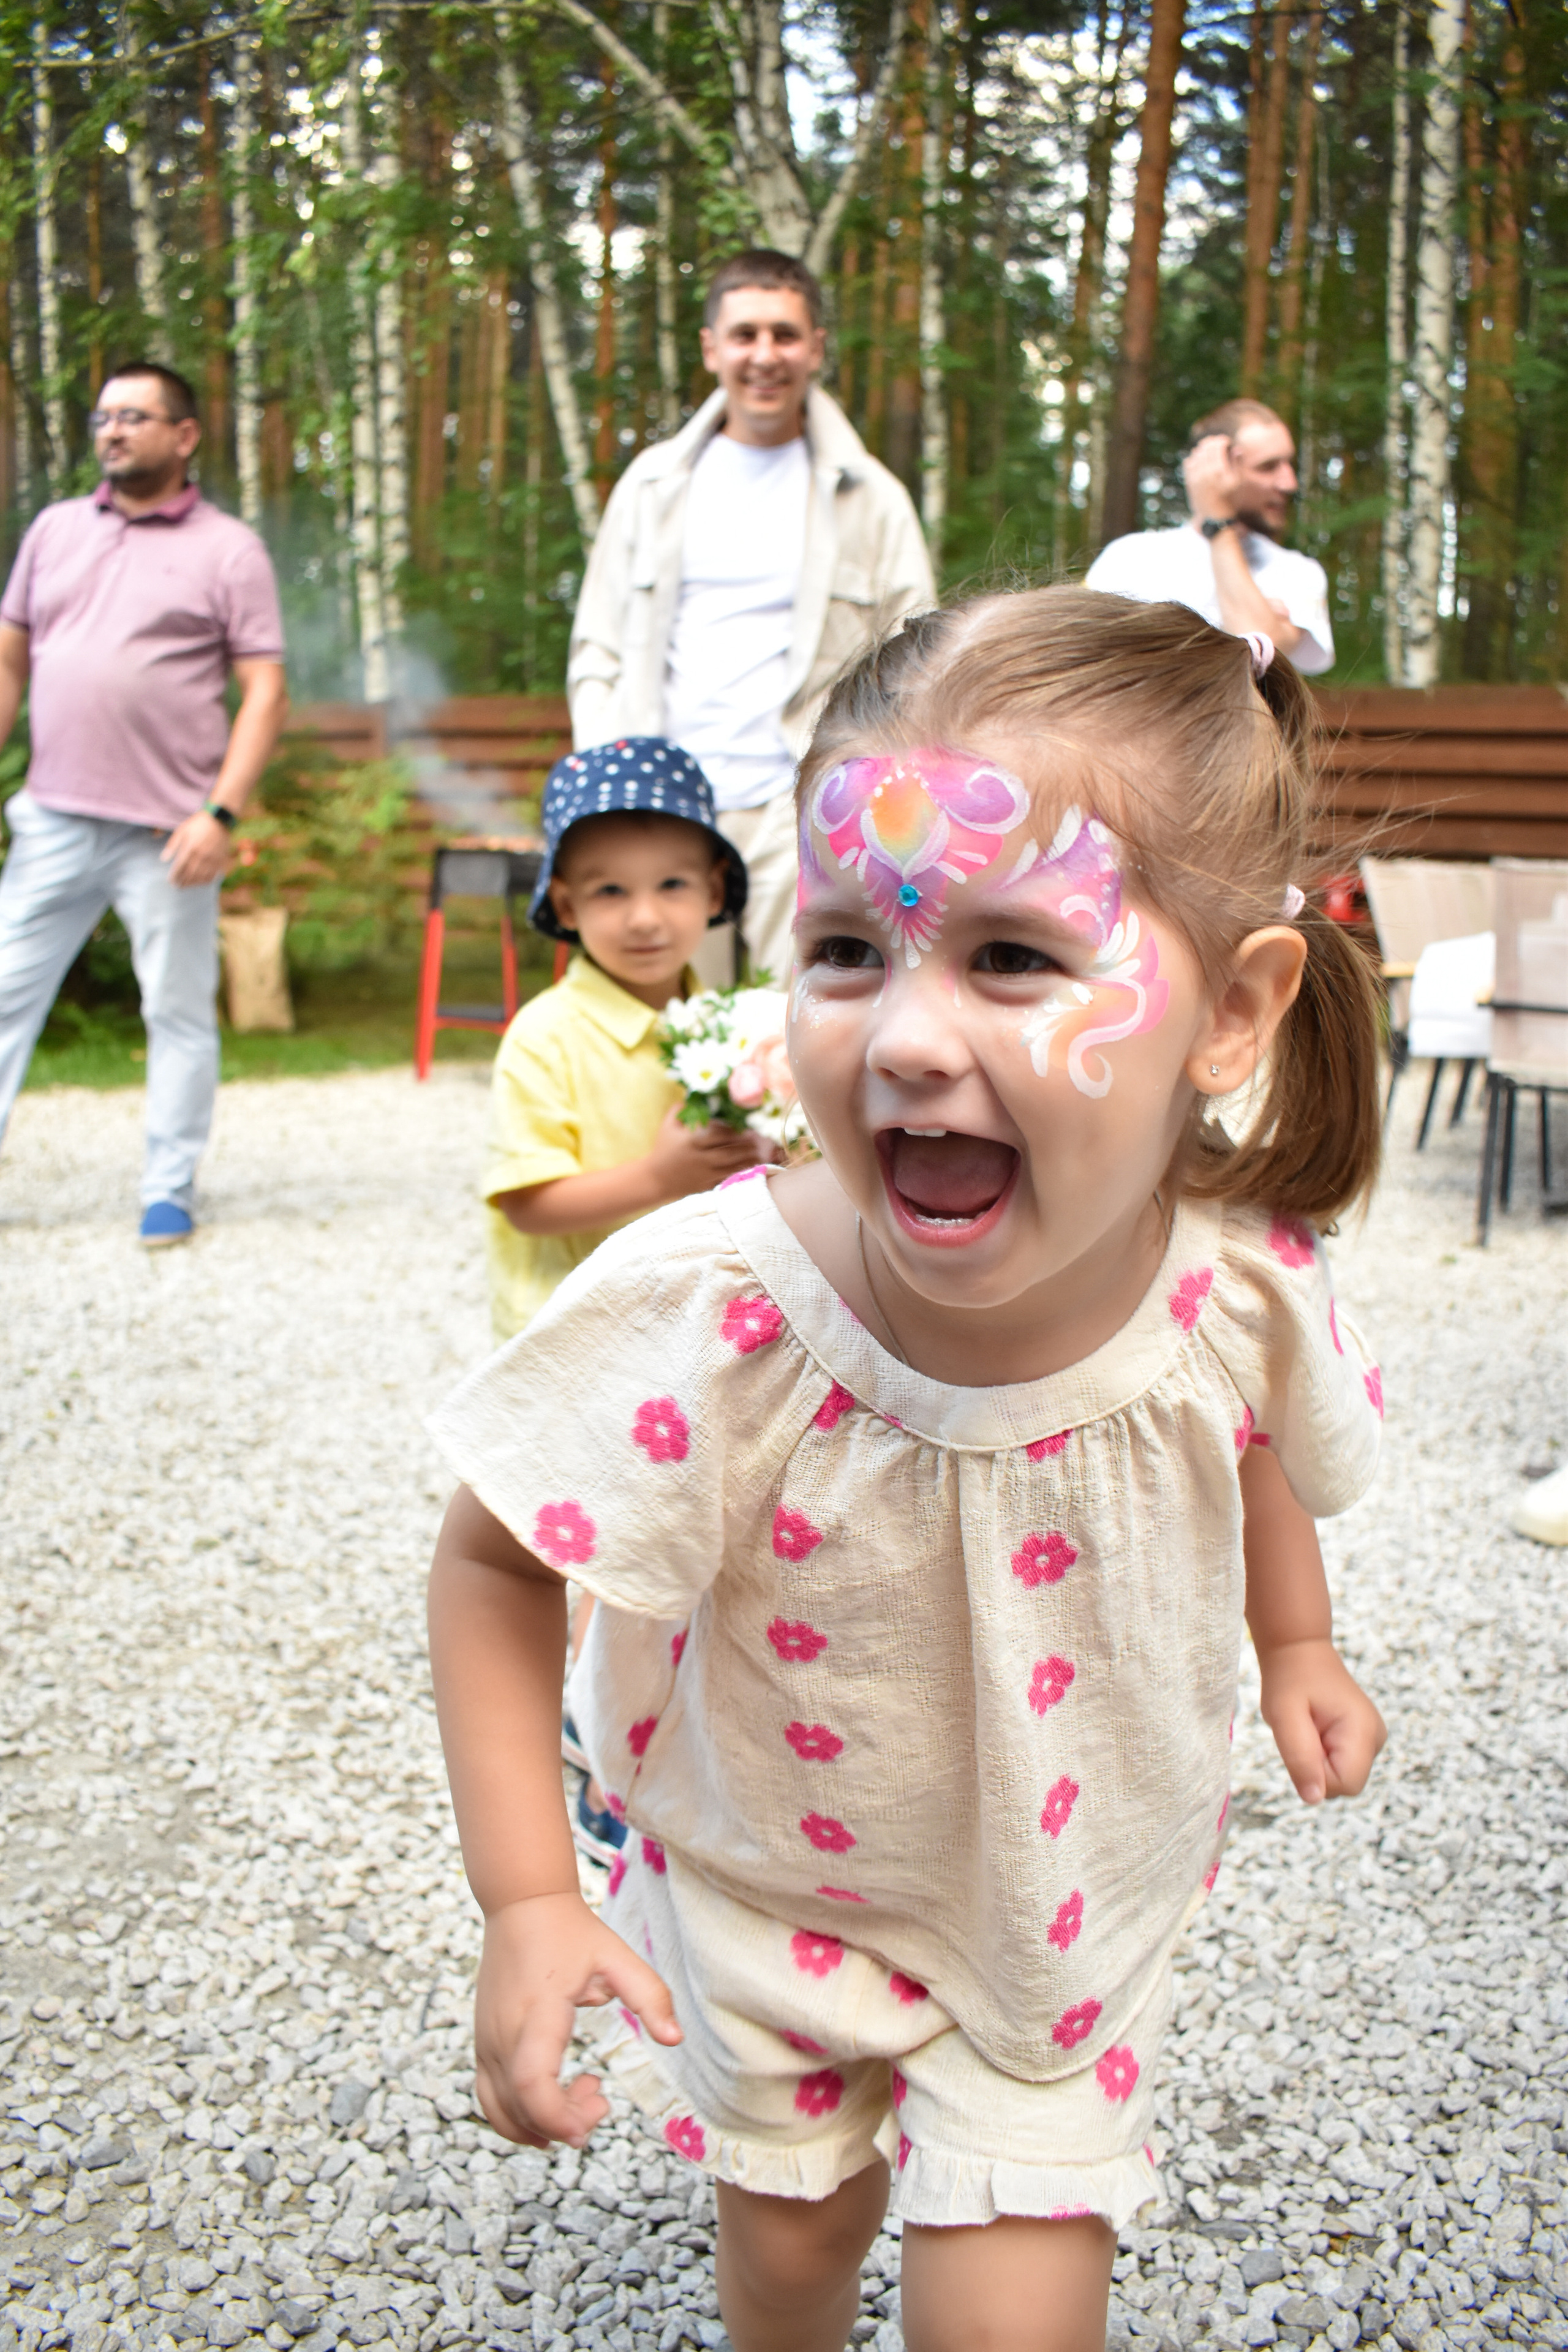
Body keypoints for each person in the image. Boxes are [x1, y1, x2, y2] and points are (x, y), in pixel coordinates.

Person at [426, 587, 1388, 2352]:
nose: (908, 1038)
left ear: (1237, 1012)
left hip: (1063, 1921)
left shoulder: (1239, 1275)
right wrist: (528, 1899)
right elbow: (499, 1561)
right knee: (791, 2268)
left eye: (1017, 956)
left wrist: (1297, 1639)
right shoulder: (717, 1306)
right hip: (769, 1903)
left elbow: (1234, 1436)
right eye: (852, 948)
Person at [484, 737, 763, 1864]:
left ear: (714, 895)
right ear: (561, 902)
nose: (643, 916)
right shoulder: (546, 1037)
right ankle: (600, 1751)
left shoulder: (730, 1021)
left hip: (692, 1327)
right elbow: (529, 1202)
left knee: (685, 1542)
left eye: (671, 886)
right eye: (608, 889)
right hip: (581, 1338)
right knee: (608, 1550)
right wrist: (655, 1177)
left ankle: (664, 1728)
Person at [567, 250, 935, 989]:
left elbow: (921, 665)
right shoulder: (652, 486)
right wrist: (616, 787)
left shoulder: (870, 496)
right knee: (666, 1034)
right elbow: (596, 651)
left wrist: (870, 787)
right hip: (666, 806)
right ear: (712, 348)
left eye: (784, 335)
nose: (764, 356)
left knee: (803, 1023)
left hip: (802, 804)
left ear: (816, 347)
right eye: (744, 336)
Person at [0, 360, 288, 1244]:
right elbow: (11, 659)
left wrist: (222, 814)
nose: (113, 430)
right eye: (104, 416)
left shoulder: (228, 548)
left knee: (176, 1011)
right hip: (52, 815)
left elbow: (266, 692)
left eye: (135, 416)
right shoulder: (52, 531)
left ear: (185, 435)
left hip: (172, 834)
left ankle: (168, 1189)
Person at [1086, 398, 1335, 675]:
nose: (1289, 483)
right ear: (1217, 468)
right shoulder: (1128, 557)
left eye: (1289, 463)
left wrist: (1219, 525)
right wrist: (1254, 614)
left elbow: (1260, 661)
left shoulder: (1298, 572)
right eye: (1268, 467)